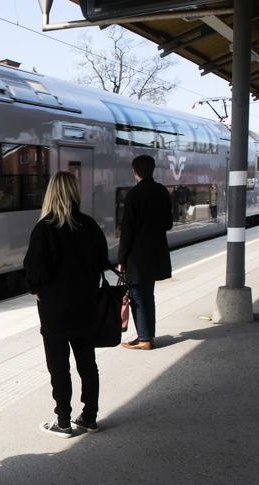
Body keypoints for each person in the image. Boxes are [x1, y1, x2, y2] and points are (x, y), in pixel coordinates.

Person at [24, 171, 110, 437]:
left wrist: (37, 290)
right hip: (86, 307)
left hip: (55, 311)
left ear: (51, 193)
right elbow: (103, 261)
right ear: (74, 193)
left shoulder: (44, 229)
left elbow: (33, 272)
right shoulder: (89, 225)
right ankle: (89, 418)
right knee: (88, 364)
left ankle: (63, 421)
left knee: (59, 367)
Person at [117, 155, 173, 351]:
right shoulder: (162, 191)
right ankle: (148, 336)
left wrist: (122, 258)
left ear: (135, 171)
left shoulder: (134, 195)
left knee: (138, 298)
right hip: (156, 254)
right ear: (152, 169)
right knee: (148, 296)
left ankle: (144, 339)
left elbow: (127, 231)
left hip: (137, 257)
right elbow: (168, 224)